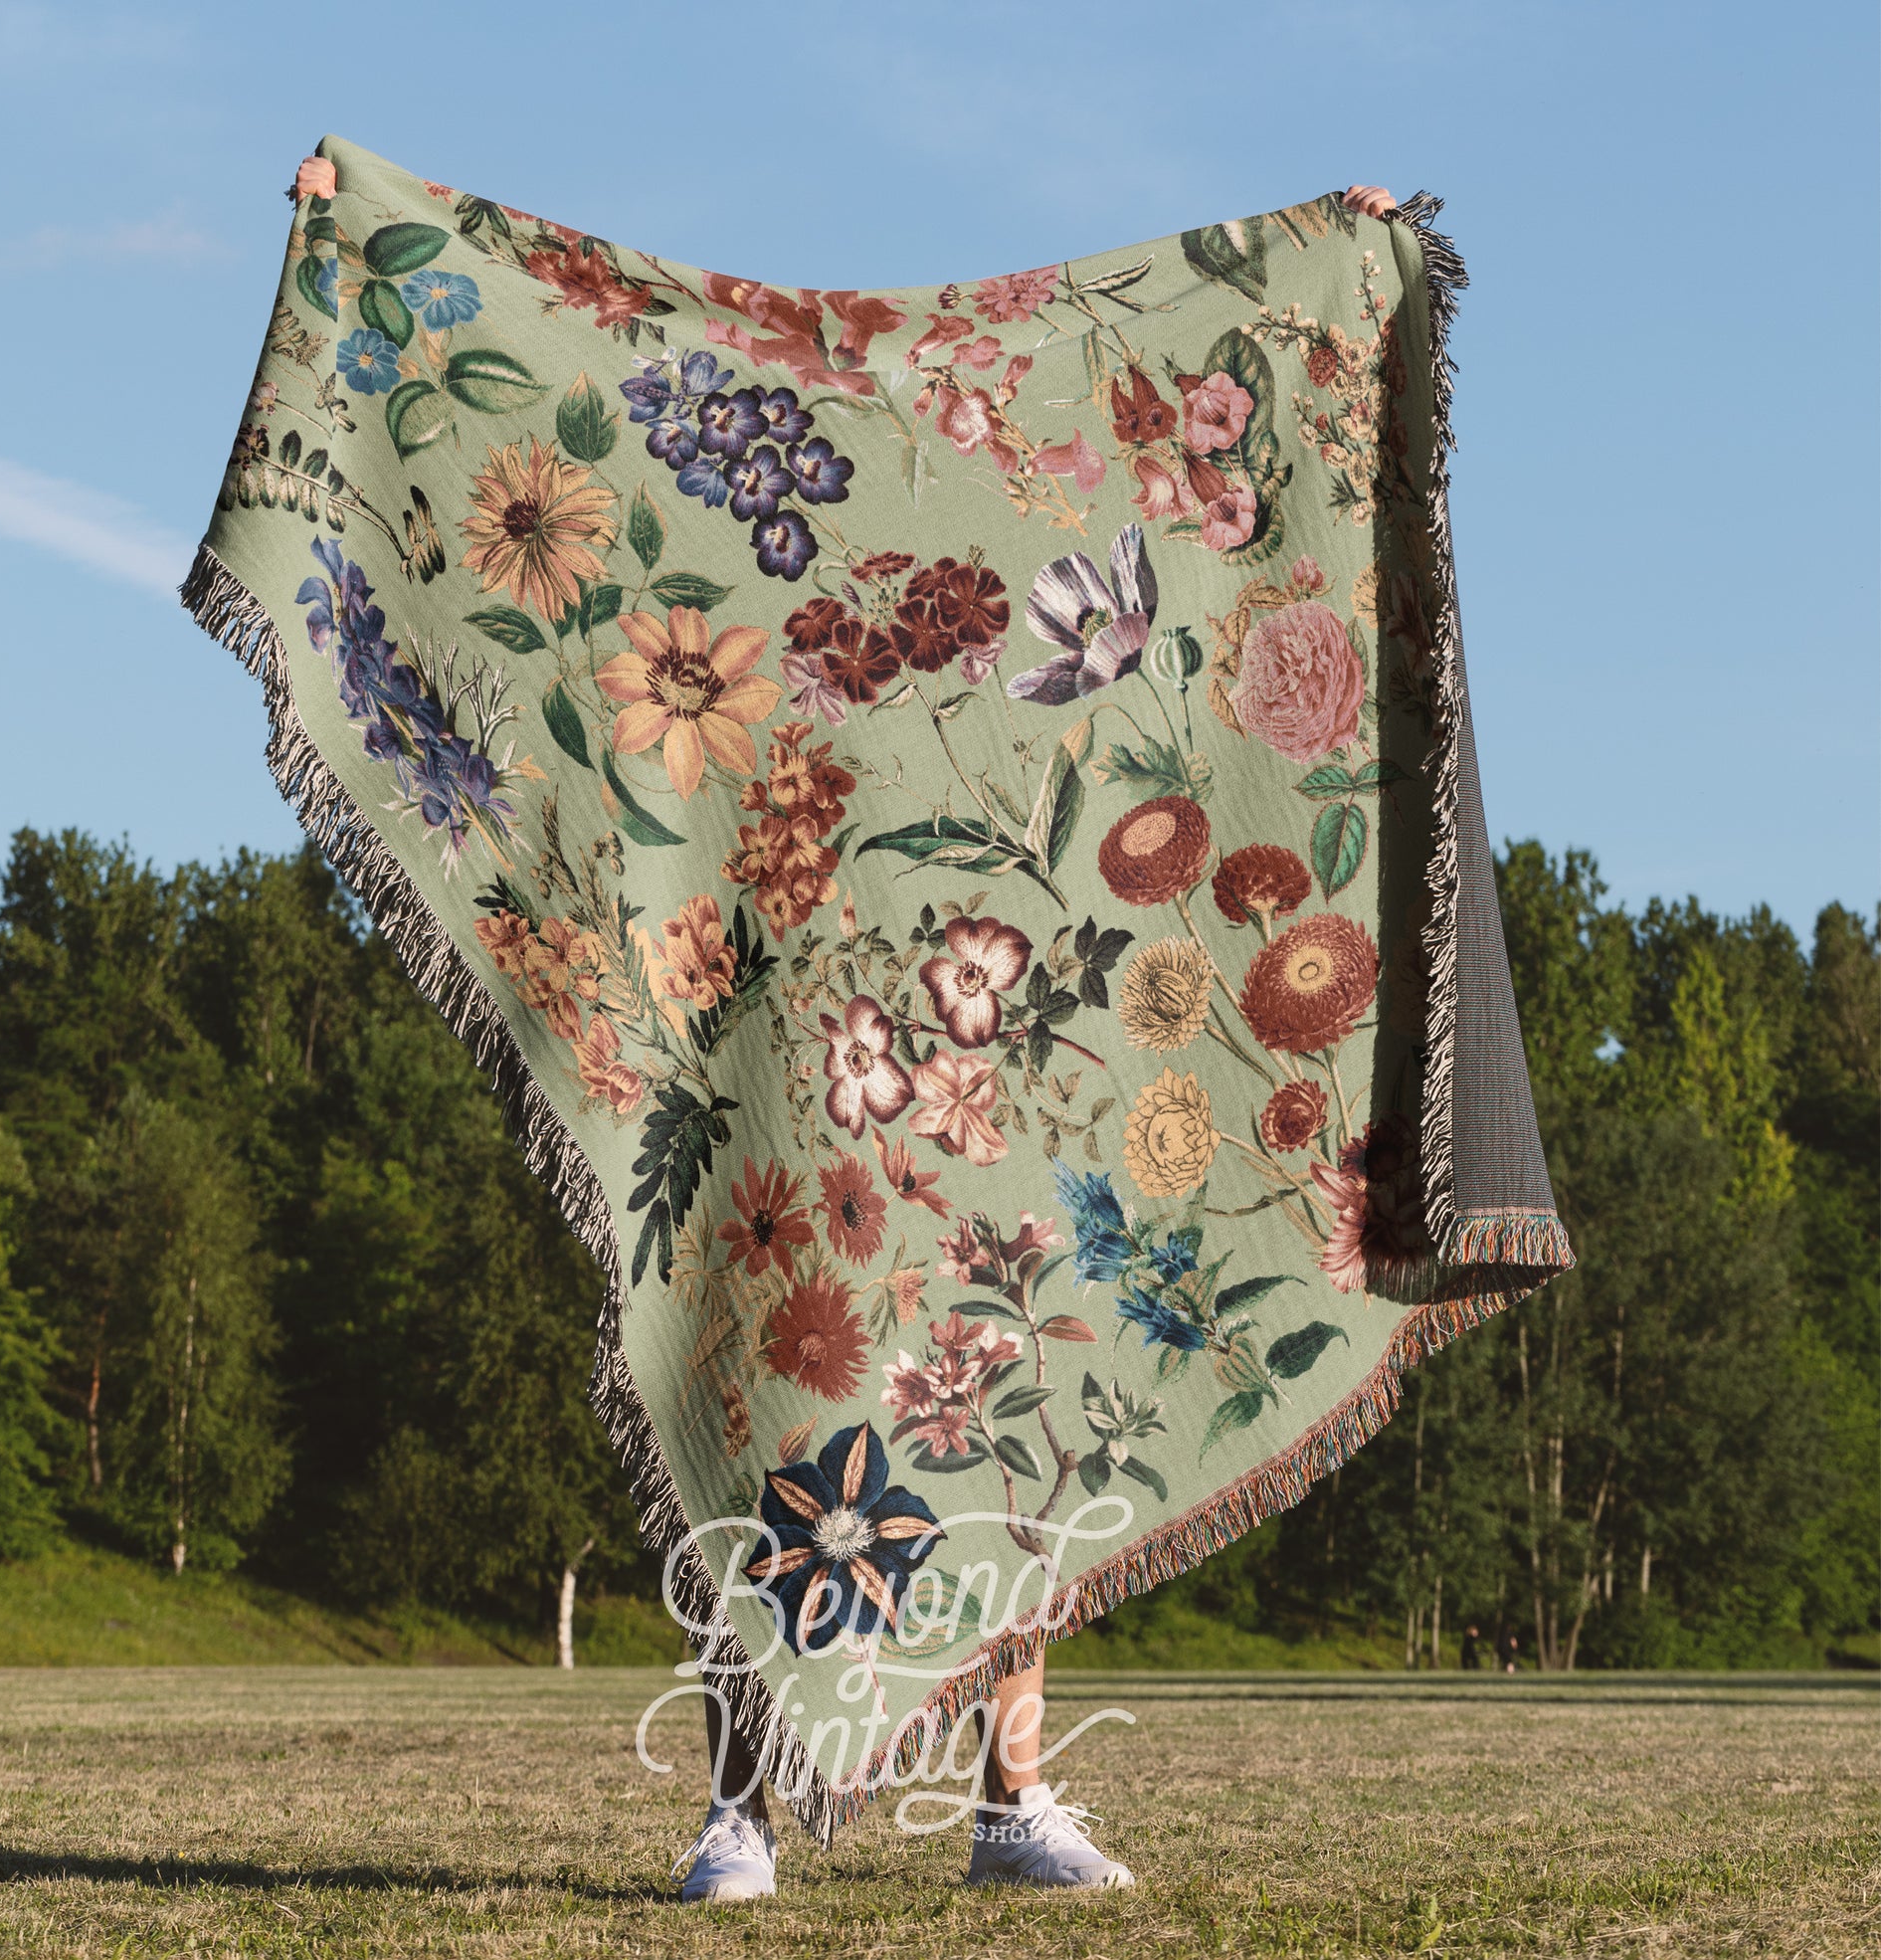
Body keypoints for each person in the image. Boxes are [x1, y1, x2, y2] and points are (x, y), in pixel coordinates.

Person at [287, 148, 1400, 1902]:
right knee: (776, 1392)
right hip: (781, 1034)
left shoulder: (1026, 533)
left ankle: (1010, 1800)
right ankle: (739, 1806)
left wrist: (1335, 254)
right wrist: (365, 216)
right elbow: (569, 427)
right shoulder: (738, 523)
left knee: (1016, 1389)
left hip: (988, 1025)